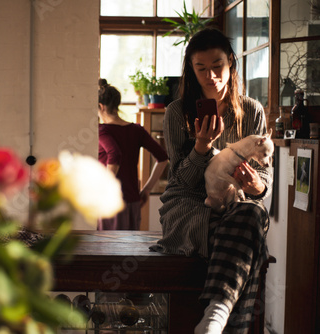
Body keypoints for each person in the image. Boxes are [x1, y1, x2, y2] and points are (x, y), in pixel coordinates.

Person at [150, 28, 272, 334]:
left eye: (217, 66)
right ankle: (221, 317)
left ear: (230, 63)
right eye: (200, 68)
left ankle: (215, 314)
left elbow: (262, 188)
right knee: (250, 238)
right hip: (188, 207)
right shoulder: (178, 112)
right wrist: (201, 147)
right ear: (191, 70)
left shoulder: (252, 111)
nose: (211, 76)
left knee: (253, 213)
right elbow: (179, 181)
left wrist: (253, 183)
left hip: (235, 207)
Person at [98, 78, 168, 230]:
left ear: (100, 106)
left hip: (111, 202)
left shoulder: (102, 131)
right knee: (128, 249)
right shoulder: (136, 130)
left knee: (106, 250)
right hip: (133, 201)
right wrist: (147, 189)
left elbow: (114, 154)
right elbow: (162, 158)